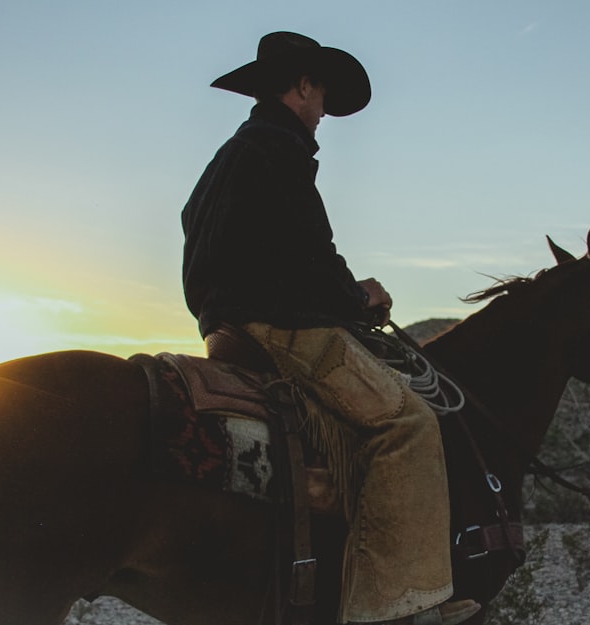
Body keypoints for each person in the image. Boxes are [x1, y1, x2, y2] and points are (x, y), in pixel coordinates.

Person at [181, 31, 480, 625]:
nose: (324, 113)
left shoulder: (229, 157)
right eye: (321, 97)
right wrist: (358, 296)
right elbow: (309, 257)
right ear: (302, 86)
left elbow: (214, 240)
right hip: (282, 328)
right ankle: (394, 607)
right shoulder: (278, 151)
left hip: (224, 326)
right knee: (408, 422)